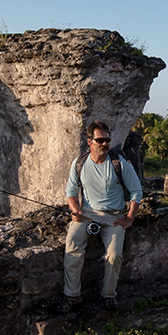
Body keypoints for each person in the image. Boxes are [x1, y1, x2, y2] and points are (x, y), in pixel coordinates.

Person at [61, 121, 143, 312]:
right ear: (90, 141)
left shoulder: (119, 163)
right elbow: (70, 192)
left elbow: (136, 191)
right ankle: (72, 295)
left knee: (114, 256)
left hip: (114, 216)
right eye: (100, 140)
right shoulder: (80, 163)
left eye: (107, 140)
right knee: (72, 245)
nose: (104, 144)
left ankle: (109, 295)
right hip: (87, 214)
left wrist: (129, 218)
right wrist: (75, 210)